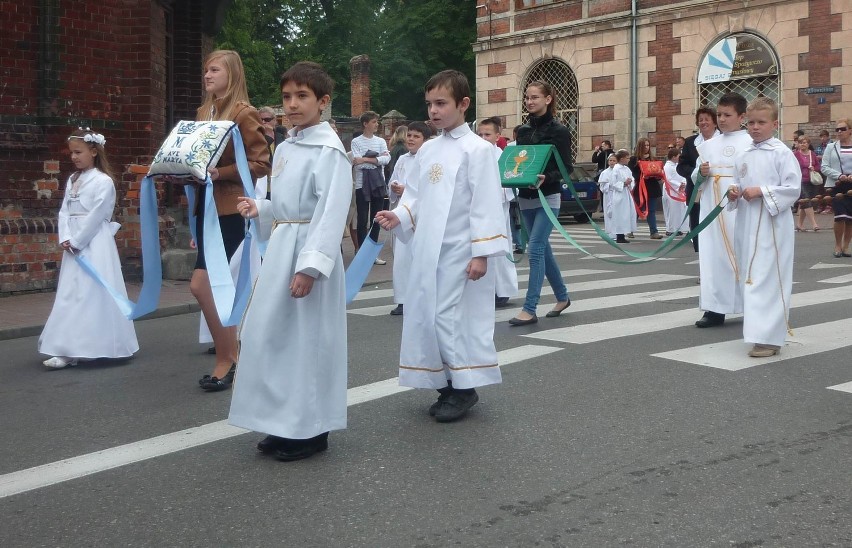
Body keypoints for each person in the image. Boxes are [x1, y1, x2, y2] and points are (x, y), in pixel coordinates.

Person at [228, 61, 351, 462]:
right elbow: (289, 205)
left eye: (302, 96)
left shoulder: (329, 150)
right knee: (272, 337)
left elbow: (330, 212)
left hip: (306, 256)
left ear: (323, 101)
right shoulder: (287, 145)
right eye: (286, 97)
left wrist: (310, 267)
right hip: (282, 246)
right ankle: (283, 422)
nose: (292, 105)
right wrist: (261, 208)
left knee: (306, 343)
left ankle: (311, 430)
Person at [374, 69, 509, 423]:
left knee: (446, 316)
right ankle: (445, 383)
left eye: (441, 103)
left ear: (463, 104)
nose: (434, 111)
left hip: (460, 251)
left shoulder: (478, 150)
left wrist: (481, 252)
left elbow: (485, 202)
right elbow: (417, 195)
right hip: (428, 248)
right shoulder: (429, 149)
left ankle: (465, 387)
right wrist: (400, 216)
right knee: (425, 314)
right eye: (429, 104)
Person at [189, 50, 270, 391]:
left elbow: (262, 162)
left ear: (231, 74)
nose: (207, 75)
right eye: (205, 69)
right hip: (206, 208)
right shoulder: (202, 112)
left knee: (208, 285)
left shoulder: (242, 113)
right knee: (204, 285)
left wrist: (218, 172)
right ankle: (231, 354)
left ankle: (229, 358)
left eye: (214, 69)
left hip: (230, 209)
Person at [38, 129, 139, 369]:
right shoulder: (72, 179)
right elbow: (64, 210)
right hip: (73, 241)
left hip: (94, 243)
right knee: (71, 292)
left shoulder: (103, 182)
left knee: (92, 292)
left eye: (78, 152)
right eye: (71, 153)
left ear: (93, 152)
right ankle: (67, 346)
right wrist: (65, 236)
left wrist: (77, 240)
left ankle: (98, 345)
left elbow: (97, 215)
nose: (74, 157)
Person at [726, 97, 800, 357]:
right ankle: (757, 333)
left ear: (775, 124)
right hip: (748, 225)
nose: (755, 127)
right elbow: (737, 180)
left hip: (772, 224)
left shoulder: (781, 153)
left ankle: (770, 338)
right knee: (752, 277)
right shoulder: (745, 154)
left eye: (762, 122)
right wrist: (734, 191)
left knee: (768, 278)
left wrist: (763, 191)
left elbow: (792, 189)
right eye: (752, 122)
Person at [508, 80, 572, 326]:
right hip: (526, 196)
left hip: (549, 197)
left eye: (534, 97)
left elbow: (567, 168)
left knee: (534, 249)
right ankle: (563, 296)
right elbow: (521, 162)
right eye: (527, 97)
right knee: (543, 249)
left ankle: (530, 308)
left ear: (548, 99)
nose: (529, 101)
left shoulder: (560, 131)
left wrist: (548, 177)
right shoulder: (522, 132)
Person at [693, 92, 751, 328]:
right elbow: (696, 176)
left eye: (728, 115)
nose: (722, 119)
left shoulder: (750, 143)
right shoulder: (707, 146)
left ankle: (749, 306)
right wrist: (701, 174)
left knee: (742, 255)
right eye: (719, 114)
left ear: (741, 116)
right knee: (712, 257)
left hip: (739, 207)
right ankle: (714, 309)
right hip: (712, 208)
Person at [387, 121, 432, 316]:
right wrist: (394, 188)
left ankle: (421, 298)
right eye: (410, 135)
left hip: (421, 215)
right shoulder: (403, 160)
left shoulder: (429, 159)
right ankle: (403, 299)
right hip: (402, 213)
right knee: (402, 258)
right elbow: (393, 179)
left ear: (425, 139)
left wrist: (408, 190)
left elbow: (430, 187)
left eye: (416, 136)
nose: (411, 139)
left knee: (420, 257)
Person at [478, 116, 518, 308]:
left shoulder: (503, 157)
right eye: (480, 134)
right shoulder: (474, 154)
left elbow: (510, 184)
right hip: (477, 210)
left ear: (497, 136)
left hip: (497, 210)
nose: (483, 138)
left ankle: (501, 290)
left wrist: (494, 193)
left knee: (499, 249)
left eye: (488, 134)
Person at [677, 107, 719, 252]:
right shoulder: (690, 142)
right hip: (696, 192)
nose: (703, 122)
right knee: (698, 226)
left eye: (707, 119)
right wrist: (696, 172)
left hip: (718, 191)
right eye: (700, 120)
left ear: (715, 122)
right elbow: (681, 167)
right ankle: (703, 265)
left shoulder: (724, 140)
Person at [351, 110, 390, 262]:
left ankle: (372, 253)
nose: (376, 124)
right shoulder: (356, 141)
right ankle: (361, 251)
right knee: (362, 219)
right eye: (373, 122)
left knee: (377, 218)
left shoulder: (380, 141)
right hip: (362, 184)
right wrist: (375, 159)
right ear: (365, 124)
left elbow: (386, 159)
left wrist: (367, 159)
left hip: (378, 183)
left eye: (377, 122)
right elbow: (357, 164)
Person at [821, 118, 852, 257]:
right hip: (836, 184)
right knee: (840, 215)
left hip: (851, 185)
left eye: (843, 129)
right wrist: (839, 175)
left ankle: (846, 246)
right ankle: (838, 245)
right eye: (837, 129)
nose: (839, 132)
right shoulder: (831, 147)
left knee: (850, 217)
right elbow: (824, 167)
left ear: (850, 131)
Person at [628, 137, 664, 239]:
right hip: (640, 187)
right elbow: (631, 173)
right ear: (640, 146)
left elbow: (658, 171)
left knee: (651, 210)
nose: (646, 147)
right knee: (637, 209)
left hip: (652, 187)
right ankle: (630, 230)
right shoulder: (634, 159)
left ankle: (654, 232)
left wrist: (658, 175)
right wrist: (641, 174)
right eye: (644, 145)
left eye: (648, 145)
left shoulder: (653, 158)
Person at [599, 150, 634, 243]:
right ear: (622, 159)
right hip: (618, 194)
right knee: (619, 215)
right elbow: (613, 183)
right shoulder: (616, 169)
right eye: (627, 158)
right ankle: (618, 235)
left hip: (625, 193)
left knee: (625, 215)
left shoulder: (626, 169)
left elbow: (631, 179)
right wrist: (623, 183)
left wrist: (630, 182)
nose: (629, 159)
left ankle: (622, 234)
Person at [792, 135, 822, 232]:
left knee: (806, 202)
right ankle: (814, 224)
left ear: (808, 144)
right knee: (807, 201)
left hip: (811, 180)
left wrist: (814, 168)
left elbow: (818, 166)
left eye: (804, 142)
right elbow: (792, 166)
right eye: (800, 143)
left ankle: (799, 224)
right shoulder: (795, 154)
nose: (802, 144)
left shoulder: (812, 154)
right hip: (801, 181)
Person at [662, 147, 688, 236]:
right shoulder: (667, 166)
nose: (679, 158)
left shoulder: (678, 166)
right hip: (670, 191)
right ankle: (670, 229)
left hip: (679, 191)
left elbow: (682, 176)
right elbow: (669, 179)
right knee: (671, 210)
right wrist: (678, 185)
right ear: (673, 157)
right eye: (678, 156)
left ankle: (677, 228)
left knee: (679, 210)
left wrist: (684, 183)